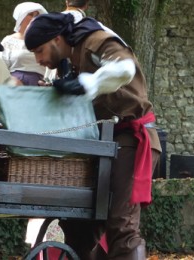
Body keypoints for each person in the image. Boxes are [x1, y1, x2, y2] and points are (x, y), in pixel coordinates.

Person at [24, 12, 161, 259]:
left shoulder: (95, 39)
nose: (39, 59)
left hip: (131, 140)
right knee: (79, 228)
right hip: (101, 144)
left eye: (40, 51)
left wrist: (87, 84)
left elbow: (124, 69)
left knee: (122, 226)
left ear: (56, 39)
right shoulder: (71, 56)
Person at [0, 2, 55, 86]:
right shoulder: (9, 40)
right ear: (20, 17)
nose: (34, 18)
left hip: (40, 84)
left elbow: (53, 65)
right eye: (30, 14)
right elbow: (1, 66)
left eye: (37, 15)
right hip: (14, 85)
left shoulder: (46, 39)